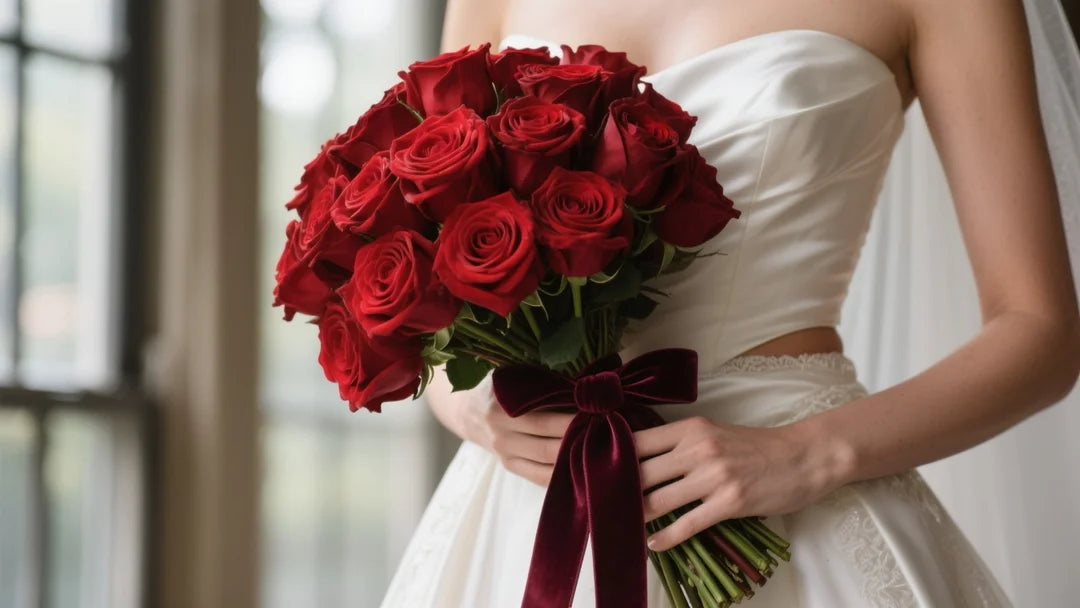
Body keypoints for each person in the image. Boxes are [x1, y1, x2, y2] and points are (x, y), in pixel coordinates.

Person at [382, 0, 1080, 605]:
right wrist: (478, 409)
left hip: (796, 493)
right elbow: (436, 271)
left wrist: (809, 454)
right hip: (534, 497)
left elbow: (1040, 329)